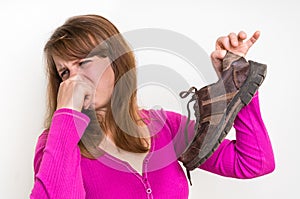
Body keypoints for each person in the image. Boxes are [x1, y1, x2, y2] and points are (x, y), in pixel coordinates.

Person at [29, 14, 275, 199]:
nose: (73, 79)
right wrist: (66, 117)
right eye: (64, 72)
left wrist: (238, 81)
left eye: (83, 62)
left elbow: (254, 162)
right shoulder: (56, 143)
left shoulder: (164, 126)